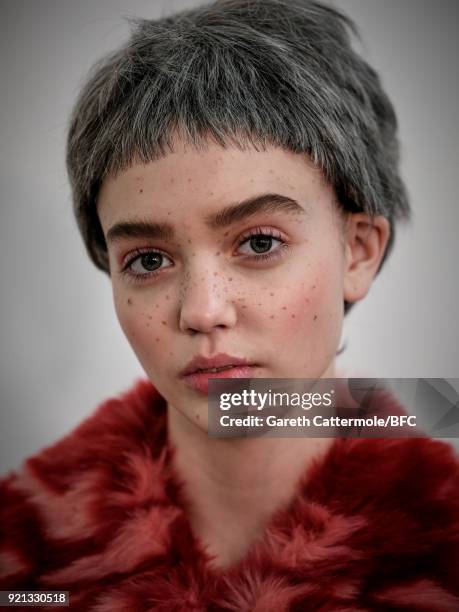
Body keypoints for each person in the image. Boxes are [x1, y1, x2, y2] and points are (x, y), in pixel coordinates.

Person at [1, 0, 458, 609]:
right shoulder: (23, 562)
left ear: (358, 252)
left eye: (259, 242)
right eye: (148, 260)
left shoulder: (445, 552)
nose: (202, 311)